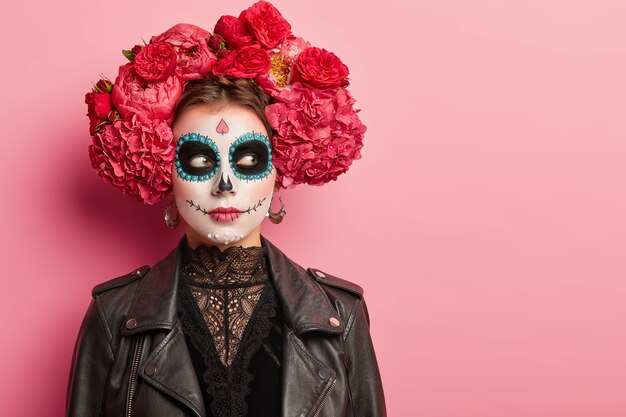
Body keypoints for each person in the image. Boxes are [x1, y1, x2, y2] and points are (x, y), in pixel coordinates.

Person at [68, 2, 386, 416]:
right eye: (200, 161)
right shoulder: (115, 317)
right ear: (164, 169)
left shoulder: (340, 315)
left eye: (249, 160)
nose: (225, 185)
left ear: (279, 167)